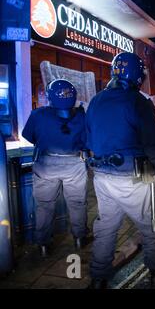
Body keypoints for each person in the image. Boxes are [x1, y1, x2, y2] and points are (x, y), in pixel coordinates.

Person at [86, 52, 155, 289]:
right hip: (134, 179)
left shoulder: (96, 101)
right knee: (153, 226)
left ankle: (98, 277)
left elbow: (87, 140)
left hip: (103, 178)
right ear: (138, 75)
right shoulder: (137, 101)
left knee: (106, 228)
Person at [22, 79, 88, 257]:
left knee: (44, 205)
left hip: (45, 165)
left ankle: (43, 245)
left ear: (50, 97)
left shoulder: (37, 115)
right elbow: (88, 140)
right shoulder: (82, 115)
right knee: (77, 203)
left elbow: (28, 135)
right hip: (75, 164)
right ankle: (79, 239)